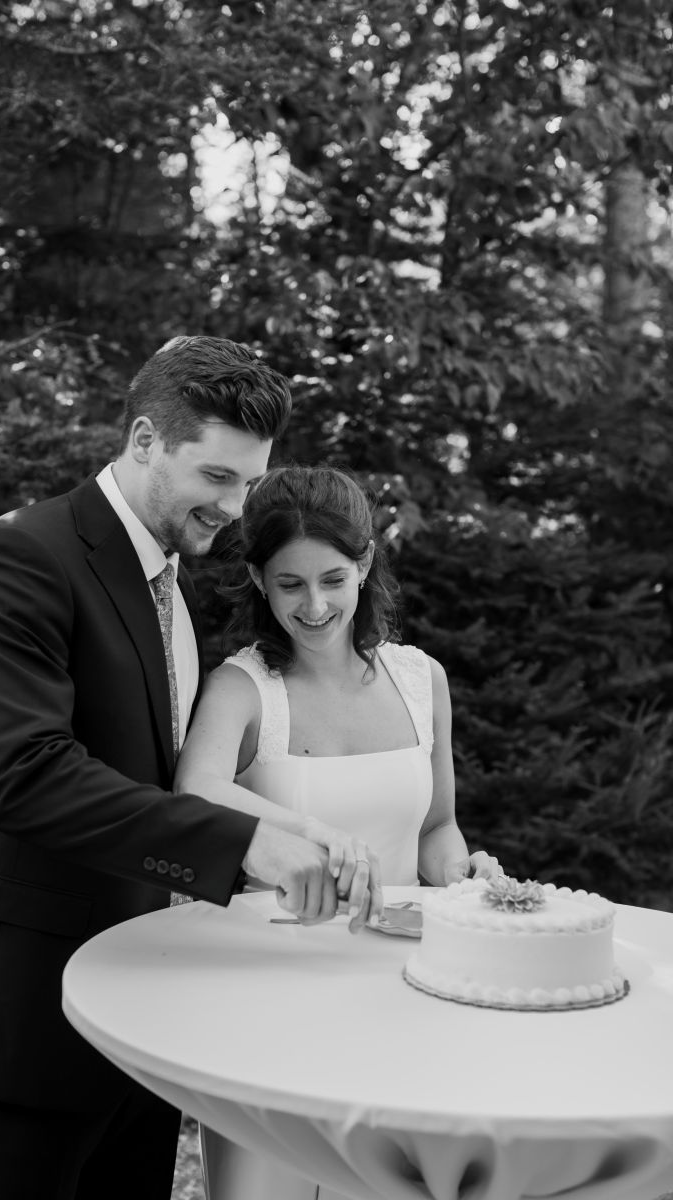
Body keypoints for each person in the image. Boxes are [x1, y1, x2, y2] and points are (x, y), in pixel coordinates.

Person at [0, 338, 377, 1200]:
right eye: (218, 478)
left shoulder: (168, 584)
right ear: (146, 440)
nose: (235, 507)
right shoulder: (19, 559)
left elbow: (152, 783)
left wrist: (289, 825)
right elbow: (30, 777)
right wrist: (245, 845)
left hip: (138, 1017)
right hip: (17, 1018)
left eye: (250, 483)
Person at [174, 463, 502, 1200]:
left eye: (332, 579)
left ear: (364, 564)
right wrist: (312, 828)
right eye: (290, 584)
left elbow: (438, 829)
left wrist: (461, 876)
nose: (315, 605)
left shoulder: (423, 680)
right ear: (259, 580)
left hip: (404, 990)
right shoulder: (242, 685)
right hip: (266, 997)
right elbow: (195, 788)